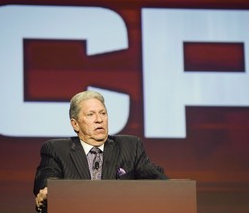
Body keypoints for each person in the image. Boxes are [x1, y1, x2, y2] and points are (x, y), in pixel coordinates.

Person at [33, 90, 169, 212]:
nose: (99, 120)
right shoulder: (56, 149)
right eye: (91, 115)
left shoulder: (131, 146)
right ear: (75, 124)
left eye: (103, 113)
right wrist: (50, 190)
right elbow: (46, 179)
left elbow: (158, 179)